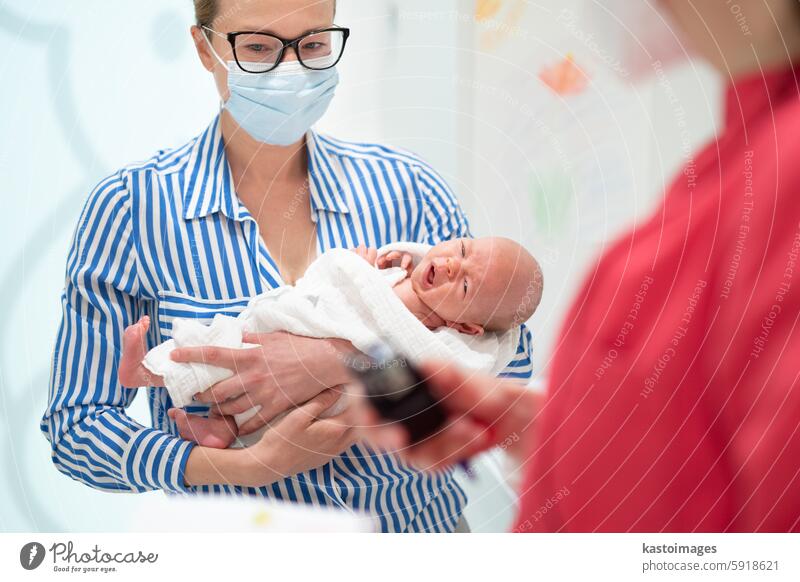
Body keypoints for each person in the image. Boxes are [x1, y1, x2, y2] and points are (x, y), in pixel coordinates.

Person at [40, 0, 533, 533]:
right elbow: (77, 429)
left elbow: (507, 360)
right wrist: (242, 467)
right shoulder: (132, 207)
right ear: (204, 48)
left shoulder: (408, 188)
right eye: (257, 48)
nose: (291, 69)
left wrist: (341, 363)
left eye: (314, 44)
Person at [356, 0, 800, 532]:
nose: (451, 265)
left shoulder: (781, 184)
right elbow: (701, 459)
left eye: (470, 275)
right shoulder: (740, 156)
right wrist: (547, 435)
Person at [115, 237, 542, 448]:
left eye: (465, 285)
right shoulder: (402, 268)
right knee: (227, 342)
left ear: (468, 328)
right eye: (462, 248)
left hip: (332, 392)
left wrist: (339, 359)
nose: (450, 265)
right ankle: (152, 372)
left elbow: (434, 380)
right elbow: (354, 279)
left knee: (295, 412)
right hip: (303, 320)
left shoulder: (443, 340)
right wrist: (369, 268)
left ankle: (219, 426)